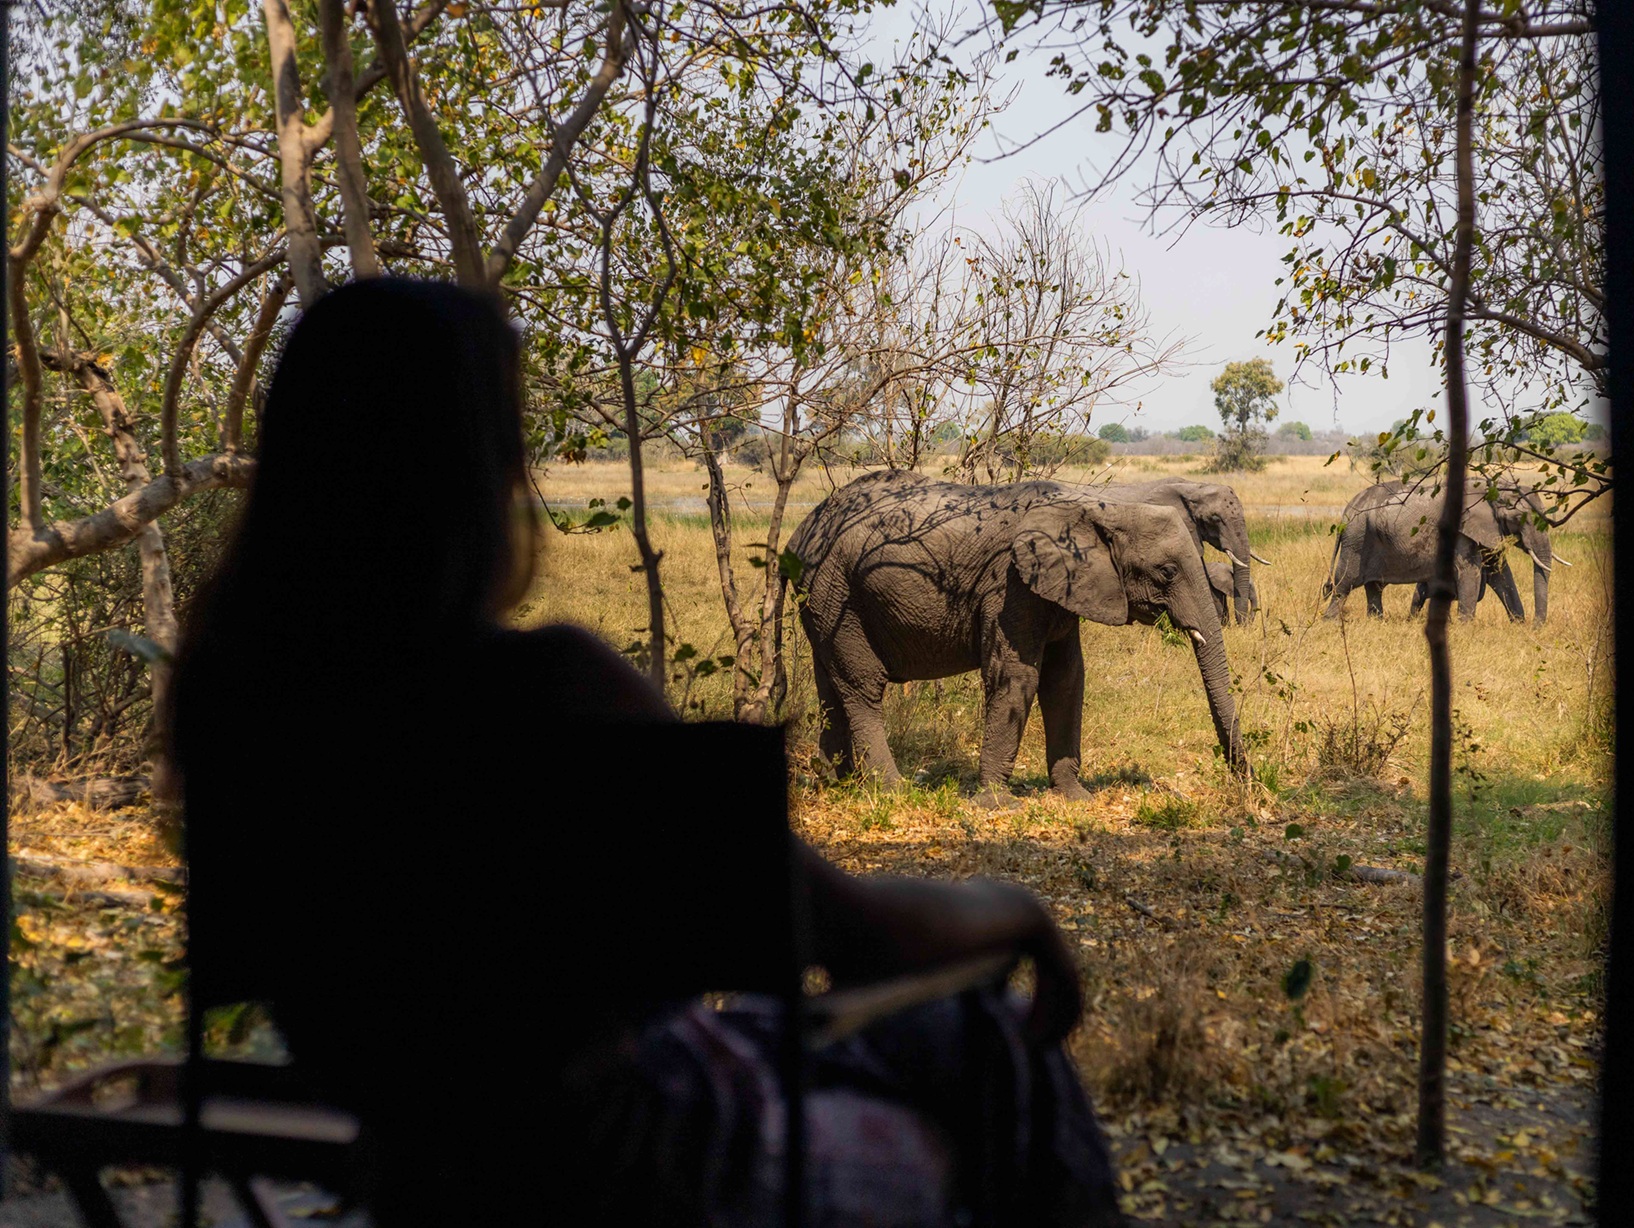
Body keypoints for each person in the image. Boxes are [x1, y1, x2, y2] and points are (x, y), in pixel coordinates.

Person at [169, 279, 1120, 1227]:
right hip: (642, 1161)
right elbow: (856, 934)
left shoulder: (226, 696)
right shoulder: (555, 687)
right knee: (988, 1045)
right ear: (479, 472)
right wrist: (1018, 910)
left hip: (415, 1160)